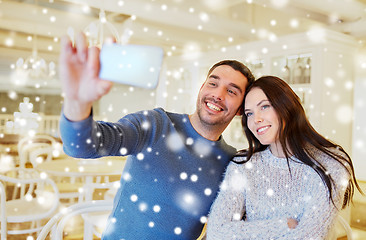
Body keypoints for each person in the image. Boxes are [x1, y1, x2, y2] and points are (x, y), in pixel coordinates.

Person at [58, 32, 255, 239]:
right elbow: (82, 146)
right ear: (202, 87)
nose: (218, 95)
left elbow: (222, 228)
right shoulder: (155, 124)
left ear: (241, 109)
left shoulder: (232, 163)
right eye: (213, 83)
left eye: (231, 91)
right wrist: (77, 102)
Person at [206, 76, 362, 239]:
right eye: (249, 113)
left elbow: (309, 237)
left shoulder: (330, 164)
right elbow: (216, 232)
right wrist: (283, 226)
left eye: (265, 106)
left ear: (287, 106)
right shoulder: (242, 166)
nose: (256, 119)